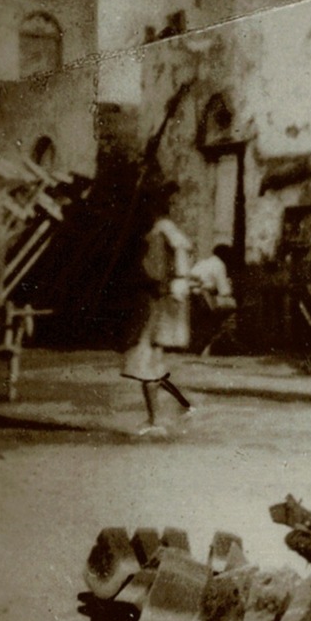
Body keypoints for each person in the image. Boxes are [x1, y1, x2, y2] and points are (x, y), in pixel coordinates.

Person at [121, 184, 195, 434]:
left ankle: (155, 421)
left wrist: (146, 281)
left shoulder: (159, 233)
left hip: (156, 305)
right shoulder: (169, 233)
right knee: (153, 364)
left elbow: (155, 271)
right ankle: (177, 408)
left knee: (146, 363)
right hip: (161, 302)